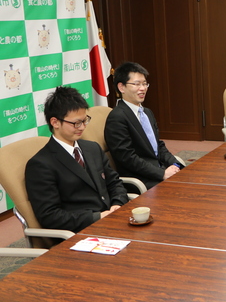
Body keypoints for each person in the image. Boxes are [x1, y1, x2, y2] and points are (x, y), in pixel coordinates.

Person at [25, 86, 128, 233]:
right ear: (55, 122)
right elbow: (50, 216)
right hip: (81, 230)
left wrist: (117, 204)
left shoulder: (92, 148)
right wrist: (96, 217)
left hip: (112, 219)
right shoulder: (40, 164)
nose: (82, 127)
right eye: (76, 123)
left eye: (85, 121)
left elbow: (114, 183)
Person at [105, 62, 180, 190]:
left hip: (158, 170)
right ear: (121, 87)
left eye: (145, 84)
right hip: (140, 179)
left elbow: (158, 146)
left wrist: (176, 165)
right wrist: (162, 173)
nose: (143, 88)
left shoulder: (147, 112)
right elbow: (127, 158)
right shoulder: (117, 117)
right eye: (137, 84)